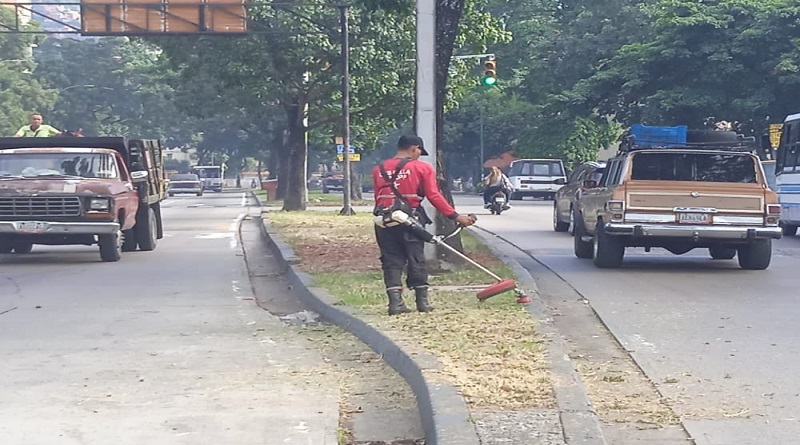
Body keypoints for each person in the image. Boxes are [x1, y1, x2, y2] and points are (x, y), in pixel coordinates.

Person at [372, 135, 476, 315]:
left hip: (384, 221)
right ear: (414, 148)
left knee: (391, 261)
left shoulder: (378, 169)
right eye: (420, 151)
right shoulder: (422, 168)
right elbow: (434, 196)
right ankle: (422, 302)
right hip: (410, 221)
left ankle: (395, 304)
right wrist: (456, 216)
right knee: (416, 259)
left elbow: (378, 198)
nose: (420, 155)